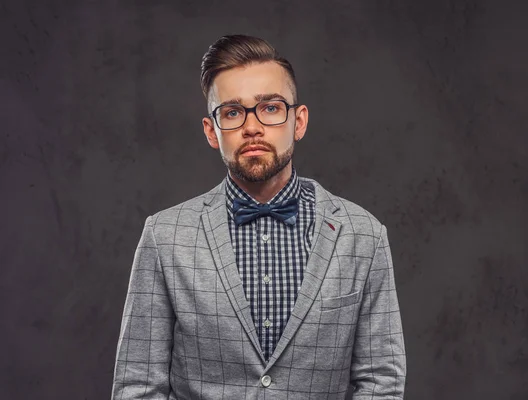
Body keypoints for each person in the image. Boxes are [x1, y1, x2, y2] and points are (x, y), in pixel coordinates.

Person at [111, 34, 406, 399]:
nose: (252, 127)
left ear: (298, 121)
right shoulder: (164, 236)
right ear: (211, 131)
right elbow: (138, 386)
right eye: (232, 112)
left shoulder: (364, 236)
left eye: (269, 107)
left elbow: (381, 382)